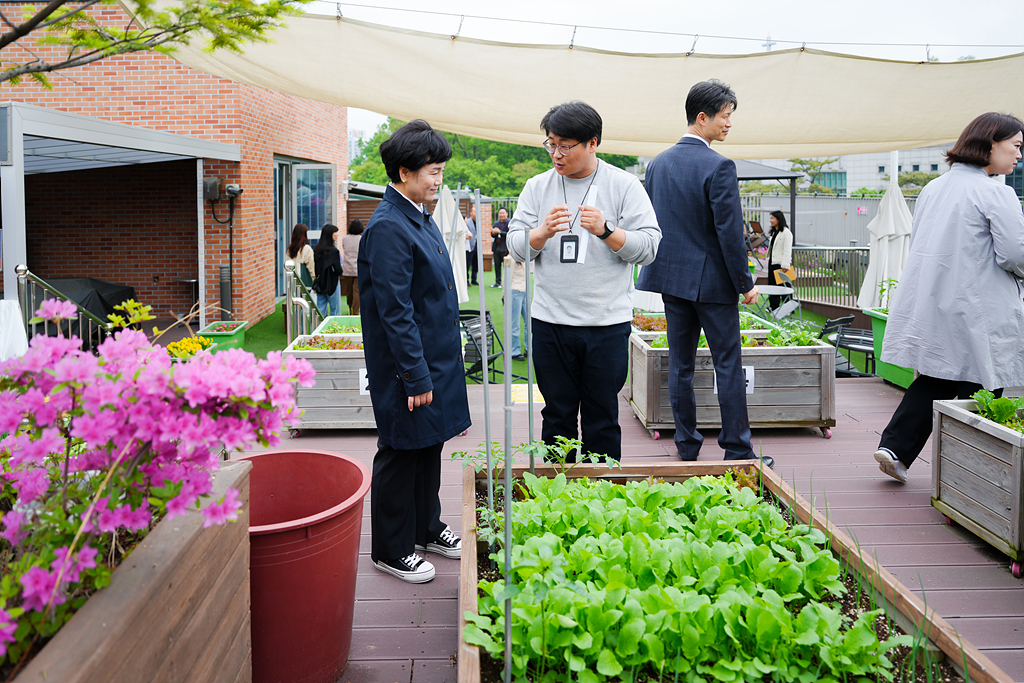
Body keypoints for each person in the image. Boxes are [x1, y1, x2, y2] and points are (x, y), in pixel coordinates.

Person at [873, 112, 1024, 484]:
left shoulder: (934, 188)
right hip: (981, 305)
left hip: (936, 298)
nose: (1019, 156)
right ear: (991, 144)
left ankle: (895, 448)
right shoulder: (996, 192)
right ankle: (976, 472)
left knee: (938, 376)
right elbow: (1015, 255)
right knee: (986, 385)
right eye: (1016, 146)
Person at [506, 101, 662, 461]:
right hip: (550, 323)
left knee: (602, 418)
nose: (555, 154)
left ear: (593, 143)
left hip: (606, 324)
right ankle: (556, 497)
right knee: (556, 416)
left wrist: (608, 231)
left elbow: (650, 246)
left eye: (565, 145)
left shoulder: (623, 185)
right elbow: (516, 246)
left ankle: (601, 496)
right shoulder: (537, 187)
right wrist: (540, 233)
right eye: (550, 143)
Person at [636, 79, 773, 469]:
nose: (729, 124)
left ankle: (686, 443)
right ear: (702, 117)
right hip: (713, 284)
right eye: (726, 116)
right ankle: (738, 449)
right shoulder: (719, 165)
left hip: (670, 280)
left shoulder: (657, 164)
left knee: (680, 364)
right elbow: (730, 234)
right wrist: (745, 284)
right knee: (727, 362)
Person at [358, 119, 470, 583]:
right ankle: (390, 547)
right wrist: (415, 375)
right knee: (402, 450)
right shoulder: (388, 227)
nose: (438, 180)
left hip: (435, 360)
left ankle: (424, 527)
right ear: (404, 172)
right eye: (433, 172)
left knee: (430, 444)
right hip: (410, 367)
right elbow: (395, 310)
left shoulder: (418, 215)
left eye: (441, 171)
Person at [766, 210, 794, 310]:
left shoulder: (786, 233)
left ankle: (788, 308)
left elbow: (787, 250)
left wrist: (785, 265)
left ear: (778, 219)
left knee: (785, 286)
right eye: (770, 218)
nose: (770, 220)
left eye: (772, 218)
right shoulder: (775, 232)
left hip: (781, 264)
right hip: (773, 262)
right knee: (772, 285)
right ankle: (774, 306)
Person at [311, 223, 342, 316]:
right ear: (330, 234)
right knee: (335, 310)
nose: (337, 234)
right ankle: (334, 330)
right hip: (333, 283)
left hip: (320, 284)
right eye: (335, 232)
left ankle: (317, 329)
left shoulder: (317, 249)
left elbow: (316, 268)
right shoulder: (334, 251)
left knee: (320, 311)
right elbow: (338, 270)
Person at [506, 255, 528, 361]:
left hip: (525, 292)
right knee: (515, 324)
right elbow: (507, 277)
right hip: (514, 292)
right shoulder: (510, 258)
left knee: (529, 322)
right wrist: (504, 294)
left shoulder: (524, 257)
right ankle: (514, 351)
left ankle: (529, 349)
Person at [340, 219, 363, 314]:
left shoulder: (345, 239)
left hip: (347, 269)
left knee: (349, 292)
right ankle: (355, 312)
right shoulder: (362, 239)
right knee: (357, 292)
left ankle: (350, 308)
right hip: (358, 269)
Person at [287, 222, 315, 287]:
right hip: (304, 284)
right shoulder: (307, 248)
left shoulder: (289, 250)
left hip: (292, 284)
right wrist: (314, 280)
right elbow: (311, 267)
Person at [490, 207, 510, 287]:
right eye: (500, 213)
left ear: (507, 214)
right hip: (496, 247)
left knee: (506, 267)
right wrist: (494, 233)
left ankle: (506, 283)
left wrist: (500, 232)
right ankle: (497, 282)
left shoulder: (509, 222)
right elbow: (492, 235)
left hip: (505, 248)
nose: (501, 215)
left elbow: (509, 234)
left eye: (503, 213)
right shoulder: (496, 223)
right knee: (497, 266)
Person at [465, 205, 479, 286]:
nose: (476, 213)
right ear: (471, 213)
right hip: (469, 245)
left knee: (476, 263)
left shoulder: (479, 221)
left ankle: (474, 279)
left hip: (477, 245)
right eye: (474, 211)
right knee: (468, 263)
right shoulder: (468, 221)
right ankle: (467, 280)